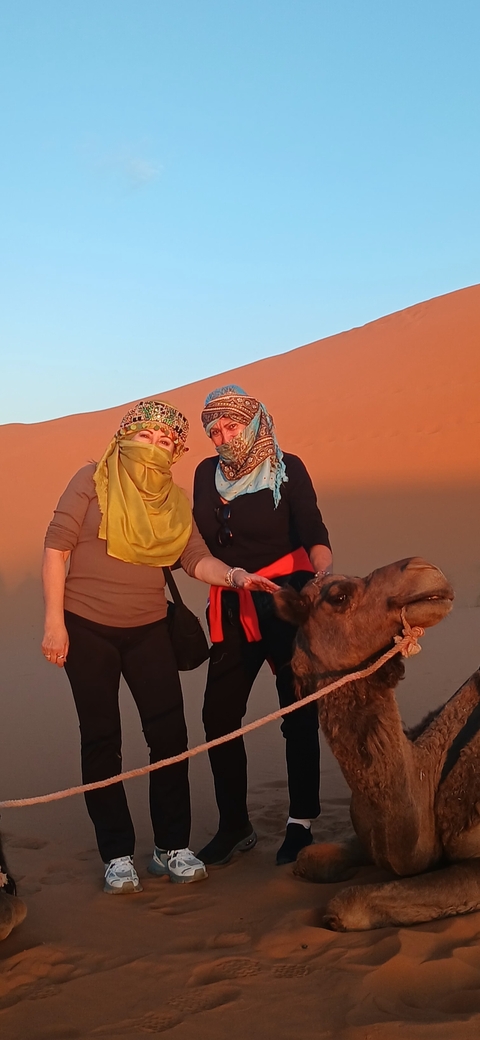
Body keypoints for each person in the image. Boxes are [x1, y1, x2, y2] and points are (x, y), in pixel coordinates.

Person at [42, 399, 277, 895]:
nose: (155, 448)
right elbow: (57, 546)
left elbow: (195, 558)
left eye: (167, 442)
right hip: (86, 626)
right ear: (126, 437)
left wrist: (235, 577)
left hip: (149, 628)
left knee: (170, 738)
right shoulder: (92, 478)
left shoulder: (170, 499)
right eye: (147, 437)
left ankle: (172, 846)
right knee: (103, 740)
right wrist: (53, 622)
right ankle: (116, 854)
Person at [193, 385, 333, 867]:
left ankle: (301, 822)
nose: (223, 437)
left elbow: (313, 530)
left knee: (297, 709)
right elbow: (196, 538)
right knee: (218, 715)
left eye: (231, 426)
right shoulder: (203, 474)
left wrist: (323, 577)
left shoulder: (286, 468)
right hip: (232, 603)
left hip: (285, 601)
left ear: (252, 423)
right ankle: (235, 825)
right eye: (214, 430)